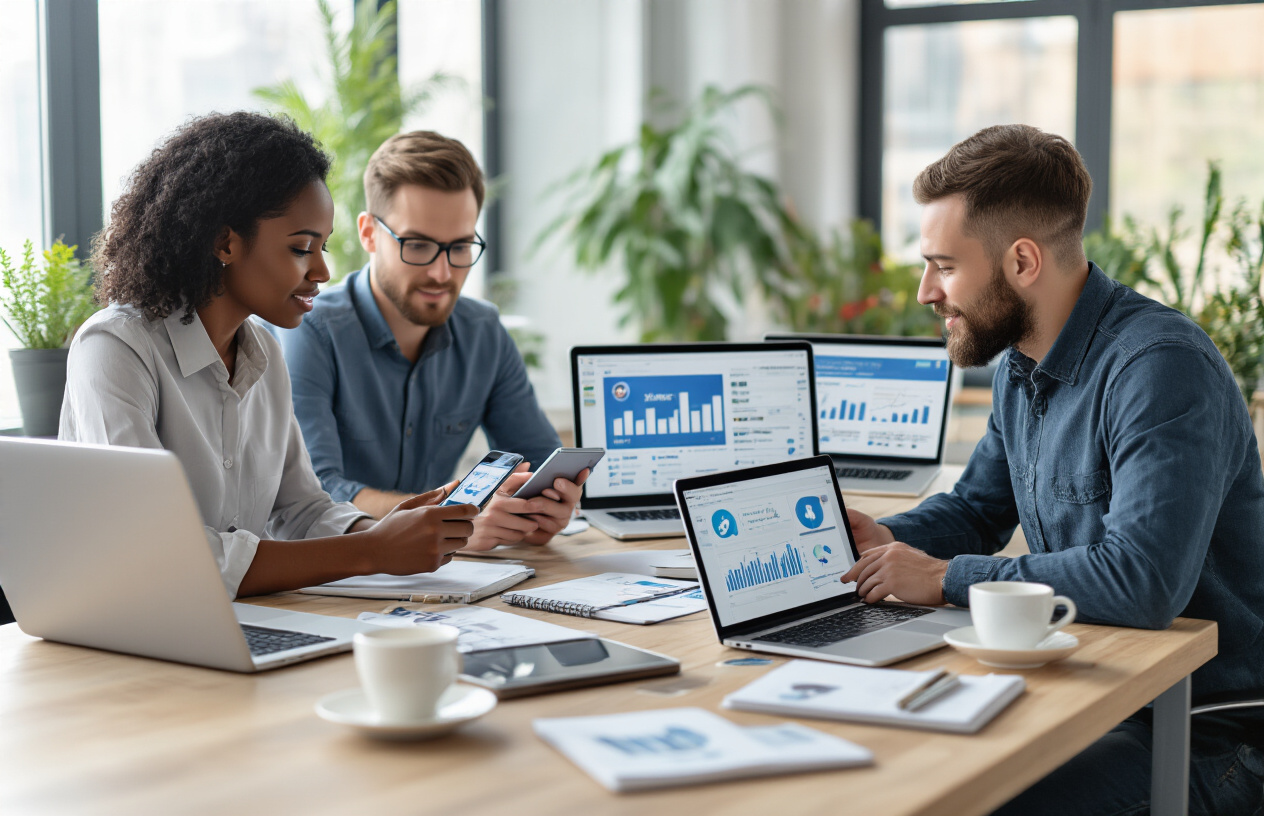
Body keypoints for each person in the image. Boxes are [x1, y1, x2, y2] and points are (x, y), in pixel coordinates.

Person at [838, 124, 1264, 814]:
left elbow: (1141, 581)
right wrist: (883, 541)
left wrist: (943, 579)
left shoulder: (1160, 367)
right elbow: (977, 509)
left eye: (944, 266)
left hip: (1204, 733)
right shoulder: (1021, 364)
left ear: (1023, 262)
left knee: (976, 801)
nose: (925, 292)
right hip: (1092, 691)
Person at [59, 112, 477, 599]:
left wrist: (377, 530)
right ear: (225, 242)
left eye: (323, 247)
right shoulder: (116, 349)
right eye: (302, 248)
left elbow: (300, 511)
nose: (321, 270)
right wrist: (371, 552)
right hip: (130, 635)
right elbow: (158, 552)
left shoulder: (263, 353)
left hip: (242, 623)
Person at [272, 131, 585, 551]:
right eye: (417, 245)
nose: (442, 273)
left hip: (443, 581)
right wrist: (453, 521)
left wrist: (546, 506)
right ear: (368, 234)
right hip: (336, 573)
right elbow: (317, 493)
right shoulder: (309, 328)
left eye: (459, 247)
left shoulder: (483, 333)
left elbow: (538, 461)